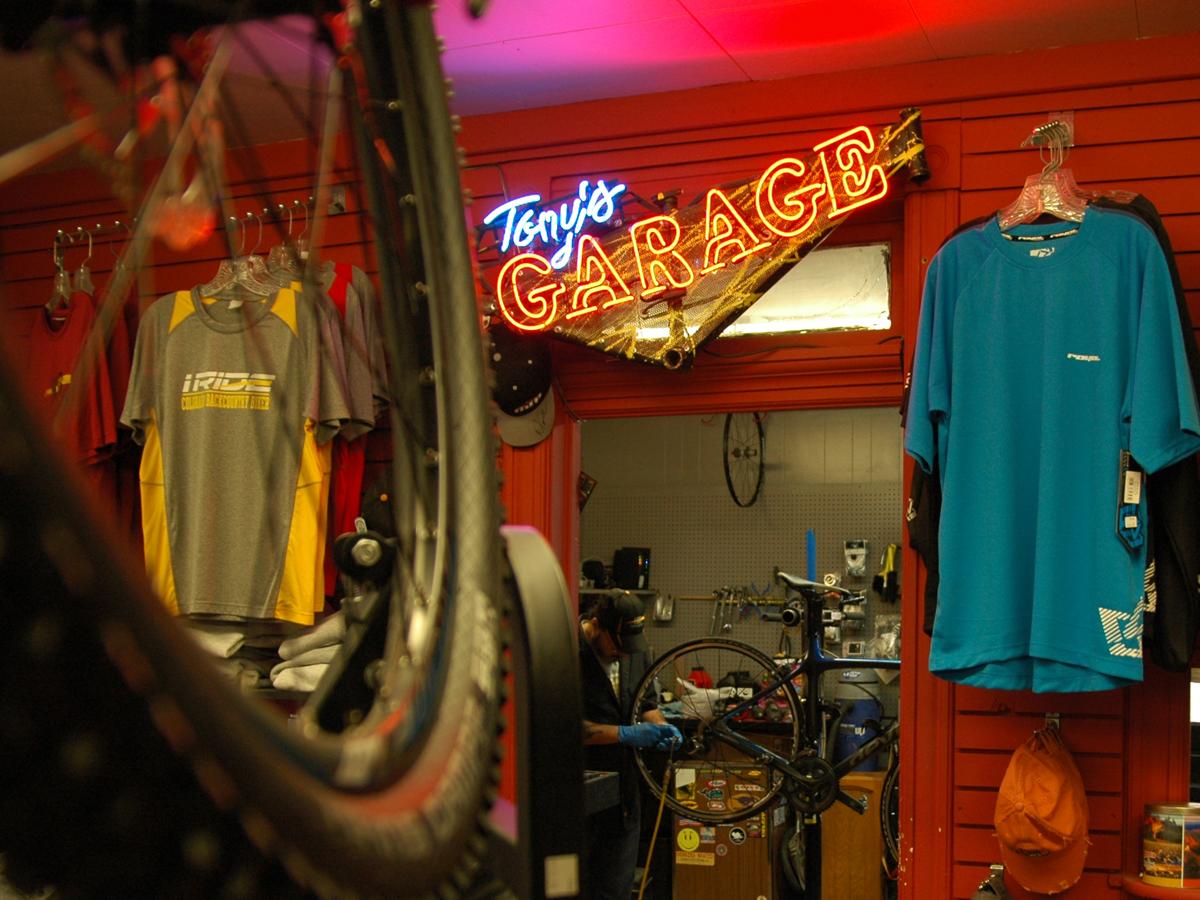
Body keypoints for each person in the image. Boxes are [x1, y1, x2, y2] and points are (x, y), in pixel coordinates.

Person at [579, 591, 681, 900]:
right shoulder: (561, 651)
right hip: (580, 797)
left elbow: (646, 699)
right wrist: (625, 734)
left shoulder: (633, 650)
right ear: (596, 626)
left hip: (624, 797)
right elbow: (559, 727)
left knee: (616, 890)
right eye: (618, 647)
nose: (624, 655)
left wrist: (661, 727)